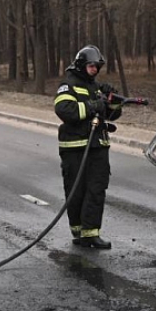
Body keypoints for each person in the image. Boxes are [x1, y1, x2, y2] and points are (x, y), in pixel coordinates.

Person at [54, 44, 122, 249]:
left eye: (97, 67)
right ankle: (78, 231)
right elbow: (65, 110)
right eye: (92, 66)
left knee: (97, 189)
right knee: (76, 191)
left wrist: (112, 100)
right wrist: (92, 106)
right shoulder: (68, 85)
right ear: (82, 65)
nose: (95, 70)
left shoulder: (96, 87)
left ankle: (91, 233)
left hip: (97, 146)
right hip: (75, 148)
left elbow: (112, 114)